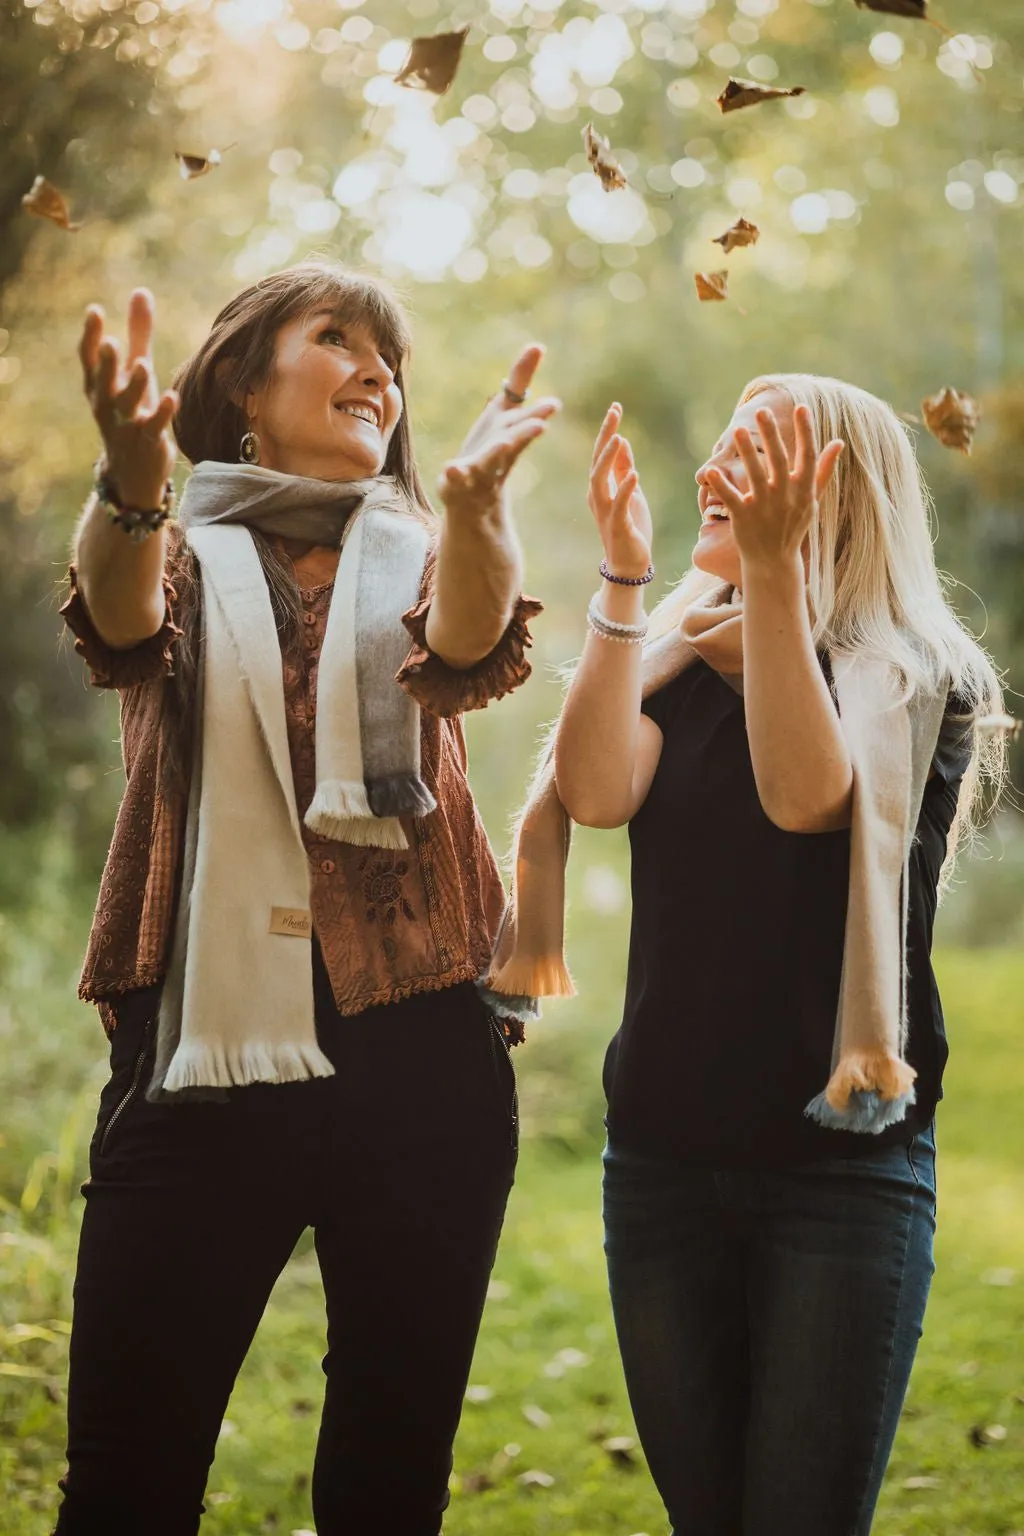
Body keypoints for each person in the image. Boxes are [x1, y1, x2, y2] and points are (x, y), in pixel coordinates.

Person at [55, 261, 559, 1536]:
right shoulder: (174, 551)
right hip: (198, 1054)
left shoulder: (419, 553)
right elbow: (118, 614)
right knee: (126, 1478)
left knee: (389, 1489)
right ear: (241, 390)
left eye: (388, 353)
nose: (376, 370)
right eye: (335, 338)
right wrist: (127, 485)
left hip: (422, 1058)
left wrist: (483, 515)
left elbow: (461, 639)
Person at [486, 375, 1008, 1535]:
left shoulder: (915, 682)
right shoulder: (672, 650)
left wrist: (772, 581)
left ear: (833, 490)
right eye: (717, 454)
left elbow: (802, 795)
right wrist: (625, 578)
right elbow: (591, 790)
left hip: (841, 1175)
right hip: (663, 1161)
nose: (713, 478)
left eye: (752, 459)